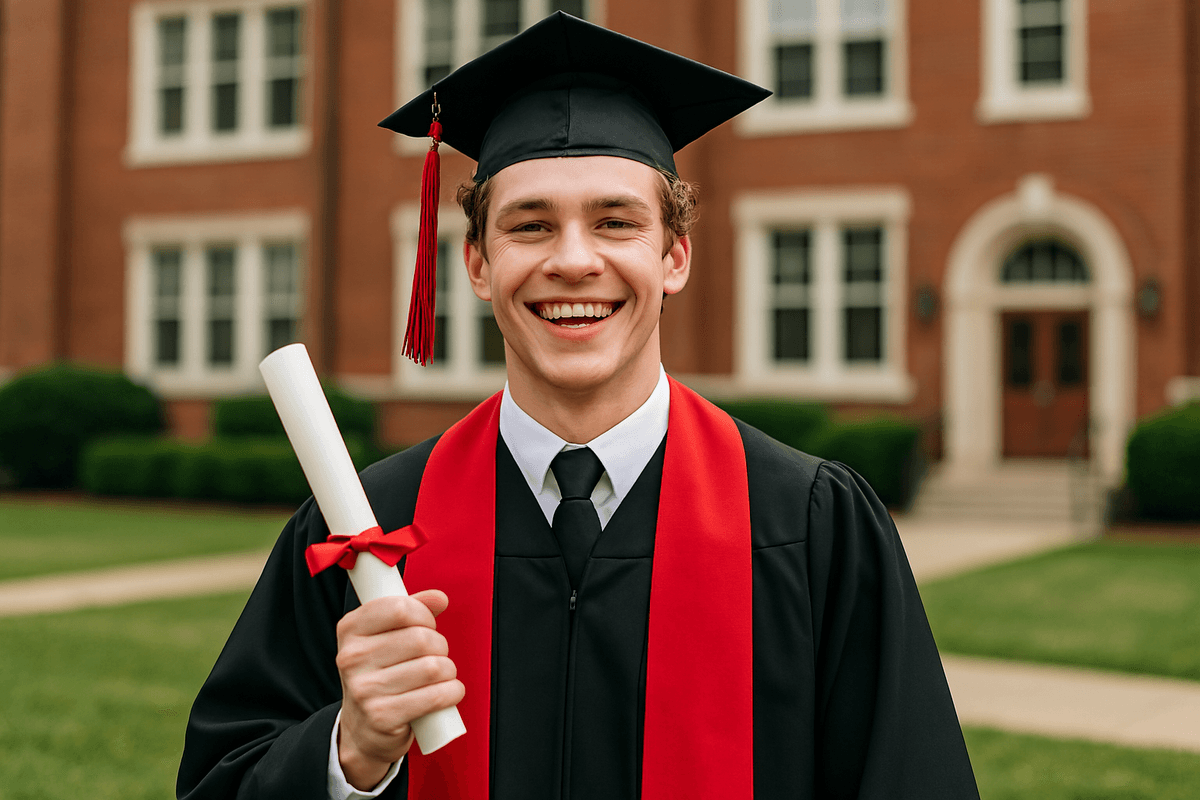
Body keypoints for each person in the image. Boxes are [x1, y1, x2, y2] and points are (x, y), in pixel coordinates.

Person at [177, 12, 980, 800]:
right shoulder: (365, 535)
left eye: (614, 222)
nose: (572, 260)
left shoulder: (808, 526)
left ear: (674, 257)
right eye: (529, 226)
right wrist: (347, 754)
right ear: (479, 265)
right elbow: (225, 779)